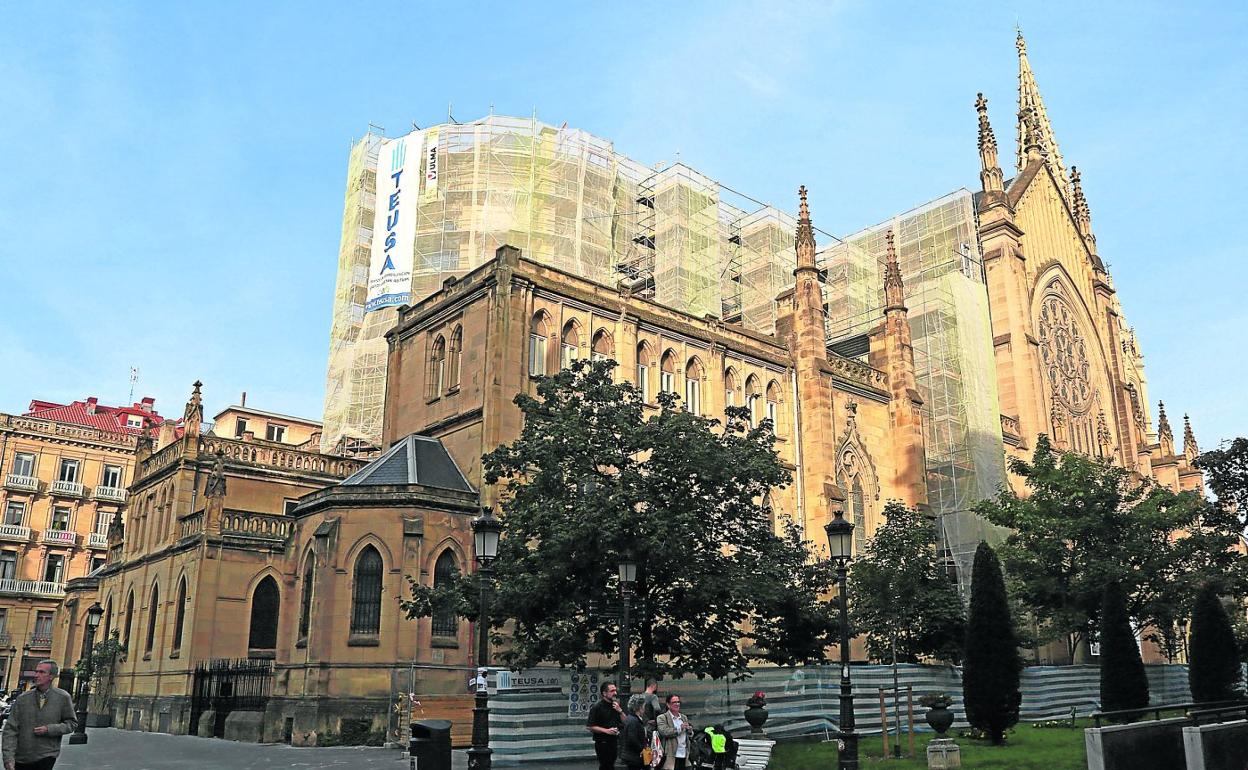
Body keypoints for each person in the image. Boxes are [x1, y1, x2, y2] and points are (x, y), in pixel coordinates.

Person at [1, 660, 77, 770]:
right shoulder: (23, 699)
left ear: (51, 676)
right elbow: (10, 729)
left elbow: (72, 723)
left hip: (47, 755)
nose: (36, 675)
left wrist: (49, 729)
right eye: (36, 672)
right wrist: (8, 758)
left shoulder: (62, 697)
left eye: (41, 672)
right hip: (22, 757)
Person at [586, 681, 624, 770]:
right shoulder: (597, 707)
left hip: (614, 741)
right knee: (605, 766)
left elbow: (625, 722)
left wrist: (620, 711)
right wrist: (607, 731)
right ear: (604, 693)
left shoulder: (615, 706)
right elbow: (590, 726)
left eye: (615, 690)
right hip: (602, 742)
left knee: (611, 765)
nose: (615, 693)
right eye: (612, 691)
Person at [656, 693, 696, 770]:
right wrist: (679, 728)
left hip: (685, 755)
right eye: (674, 702)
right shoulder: (662, 718)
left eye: (678, 702)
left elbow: (689, 735)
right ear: (668, 704)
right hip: (670, 756)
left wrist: (690, 731)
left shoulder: (683, 717)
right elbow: (664, 731)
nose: (677, 704)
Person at [620, 694, 648, 769]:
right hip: (633, 757)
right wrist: (642, 749)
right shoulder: (633, 721)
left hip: (632, 756)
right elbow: (632, 739)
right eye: (644, 706)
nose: (645, 709)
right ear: (640, 707)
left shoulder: (632, 719)